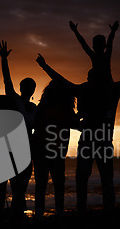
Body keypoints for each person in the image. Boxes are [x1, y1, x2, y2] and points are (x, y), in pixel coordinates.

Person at [36, 52, 120, 214]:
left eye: (94, 78)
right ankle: (88, 210)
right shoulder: (100, 89)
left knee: (99, 180)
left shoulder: (106, 89)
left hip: (98, 142)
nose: (93, 81)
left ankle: (96, 210)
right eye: (91, 78)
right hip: (92, 141)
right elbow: (62, 81)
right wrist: (44, 66)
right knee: (92, 180)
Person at [33, 54, 79, 219]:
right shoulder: (49, 107)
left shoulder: (51, 107)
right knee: (51, 184)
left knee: (47, 185)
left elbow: (75, 124)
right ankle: (48, 213)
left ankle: (44, 214)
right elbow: (75, 124)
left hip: (50, 151)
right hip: (49, 151)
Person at [0, 40, 37, 223]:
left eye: (31, 88)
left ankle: (17, 213)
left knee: (22, 184)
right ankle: (13, 215)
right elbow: (7, 80)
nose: (28, 90)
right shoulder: (16, 101)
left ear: (33, 90)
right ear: (21, 89)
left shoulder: (35, 107)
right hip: (12, 148)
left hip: (27, 150)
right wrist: (4, 60)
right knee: (14, 183)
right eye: (26, 87)